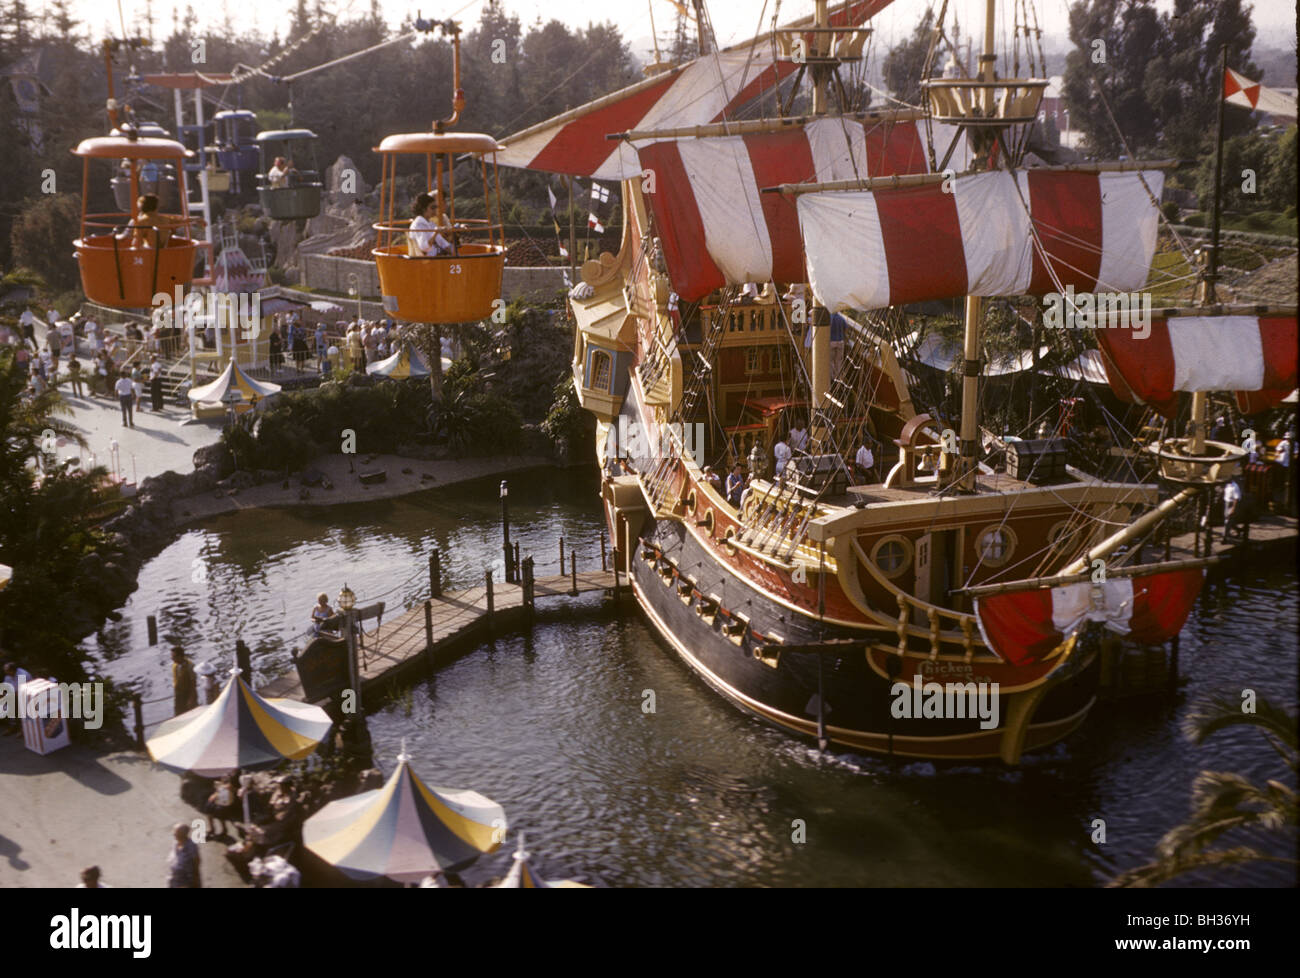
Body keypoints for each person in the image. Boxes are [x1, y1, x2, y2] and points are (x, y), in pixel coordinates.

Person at [408, 192, 454, 257]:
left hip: (436, 257)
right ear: (423, 209)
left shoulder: (430, 224)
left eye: (436, 207)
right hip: (427, 260)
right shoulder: (418, 225)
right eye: (432, 207)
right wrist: (435, 233)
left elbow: (441, 242)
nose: (435, 210)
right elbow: (424, 247)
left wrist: (454, 253)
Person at [204, 774, 240, 838]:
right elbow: (218, 791)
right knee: (208, 806)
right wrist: (214, 795)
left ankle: (224, 830)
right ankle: (212, 828)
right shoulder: (220, 782)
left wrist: (230, 787)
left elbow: (236, 790)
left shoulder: (231, 783)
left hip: (227, 802)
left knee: (220, 810)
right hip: (220, 800)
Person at [166, 823, 201, 888]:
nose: (173, 834)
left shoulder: (191, 847)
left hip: (185, 881)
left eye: (176, 833)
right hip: (174, 879)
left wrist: (194, 881)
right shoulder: (176, 843)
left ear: (182, 835)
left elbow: (196, 862)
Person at [171, 646, 198, 715]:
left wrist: (191, 699)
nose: (172, 658)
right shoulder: (175, 665)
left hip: (188, 695)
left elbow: (193, 683)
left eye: (174, 656)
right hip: (179, 696)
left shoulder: (190, 666)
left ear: (180, 656)